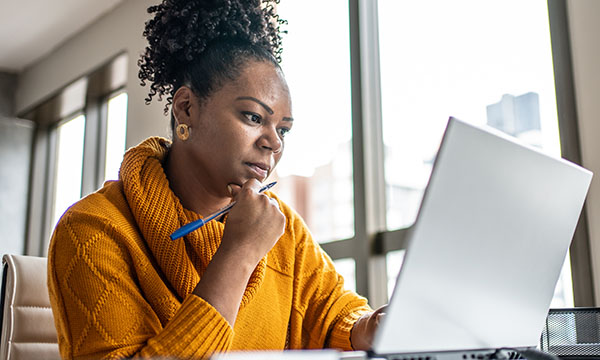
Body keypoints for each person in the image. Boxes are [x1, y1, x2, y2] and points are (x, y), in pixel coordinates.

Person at [47, 0, 383, 358]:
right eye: (254, 117)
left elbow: (334, 318)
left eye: (283, 129)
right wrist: (239, 253)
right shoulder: (92, 230)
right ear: (186, 108)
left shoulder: (285, 231)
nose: (274, 142)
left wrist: (370, 326)